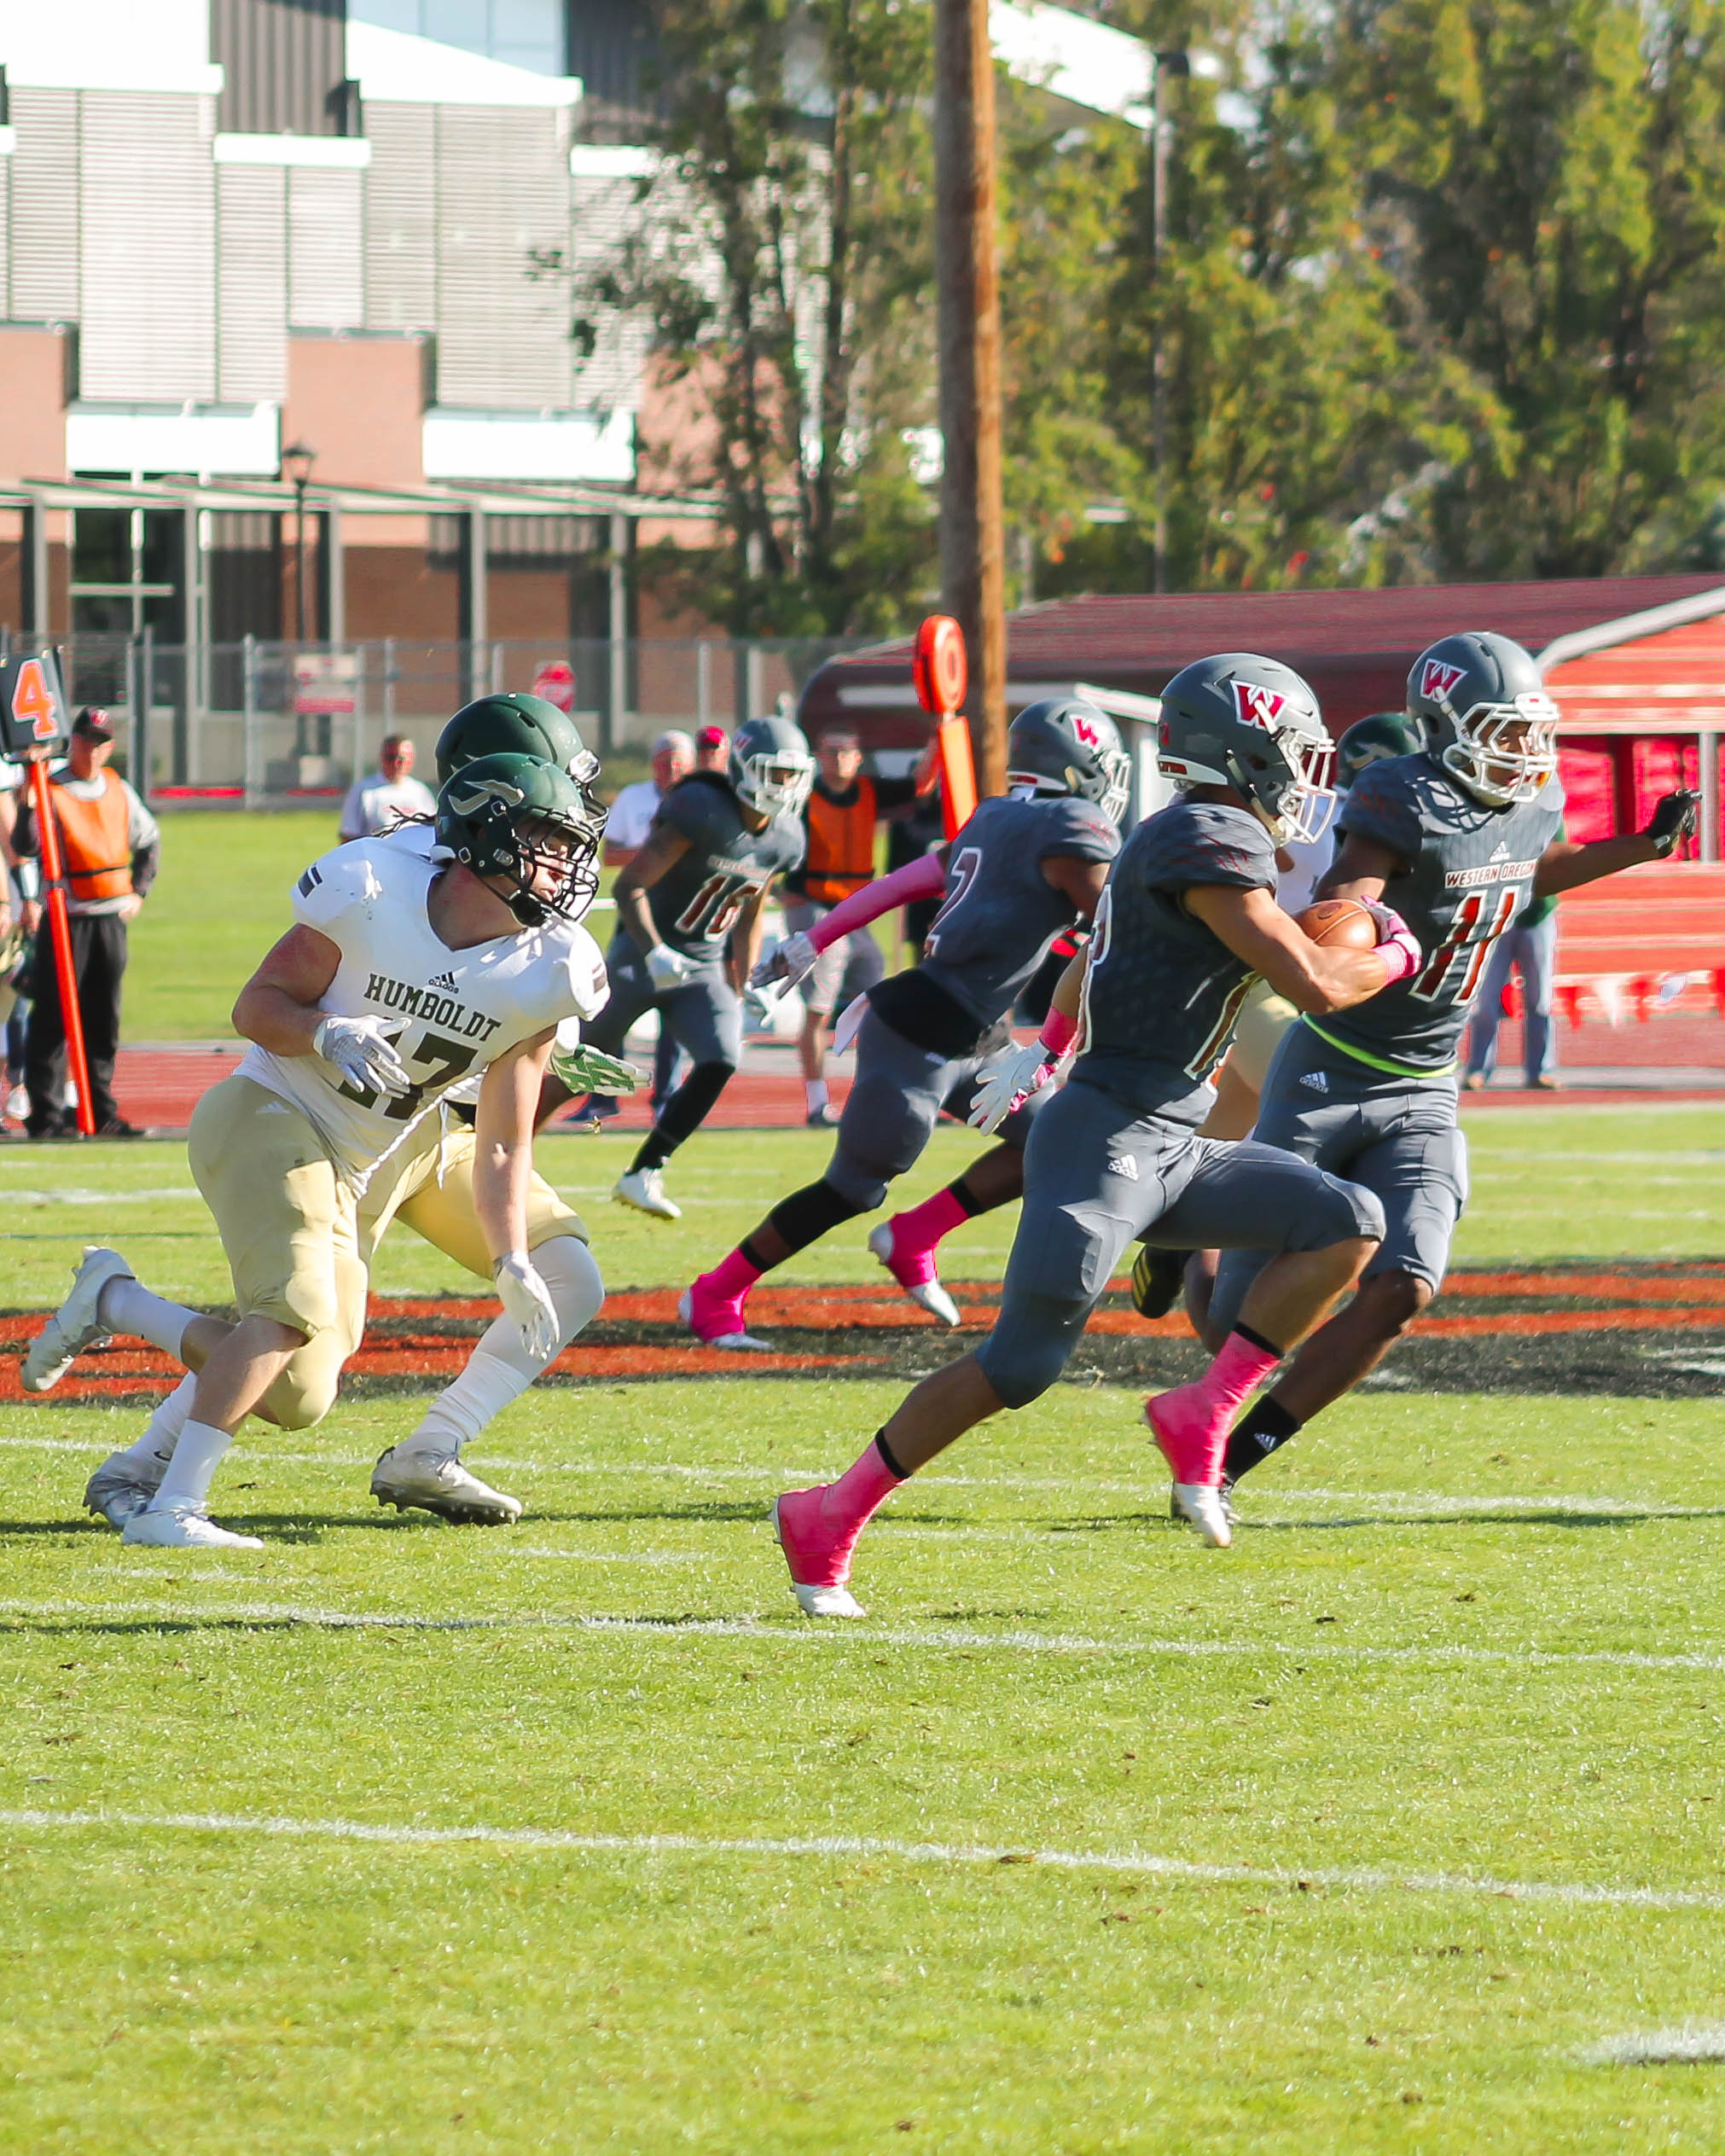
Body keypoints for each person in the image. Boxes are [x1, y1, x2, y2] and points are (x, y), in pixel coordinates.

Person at [768, 653, 1405, 1615]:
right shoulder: (1208, 835)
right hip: (1105, 1137)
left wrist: (1042, 1047)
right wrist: (1393, 949)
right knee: (1019, 1367)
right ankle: (826, 1513)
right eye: (1296, 750)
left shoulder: (1188, 834)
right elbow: (1314, 983)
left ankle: (1206, 1409)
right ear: (1248, 748)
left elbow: (1093, 960)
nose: (1308, 773)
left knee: (1348, 1219)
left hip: (1175, 1144)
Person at [28, 753, 611, 1548]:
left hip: (383, 1145)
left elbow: (506, 1142)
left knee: (299, 1395)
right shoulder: (376, 888)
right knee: (293, 1309)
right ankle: (173, 1505)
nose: (566, 864)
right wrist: (323, 1030)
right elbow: (255, 1004)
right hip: (274, 1110)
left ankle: (117, 1302)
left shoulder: (550, 965)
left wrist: (510, 1257)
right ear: (490, 831)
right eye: (548, 837)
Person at [1205, 631, 1701, 1511]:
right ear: (1443, 725)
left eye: (1529, 732)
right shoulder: (1399, 793)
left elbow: (1533, 870)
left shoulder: (1530, 800)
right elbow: (1351, 893)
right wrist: (1356, 925)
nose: (1524, 751)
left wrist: (1638, 846)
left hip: (1427, 1084)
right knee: (1233, 1322)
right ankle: (1179, 1248)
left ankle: (1233, 1456)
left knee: (1404, 1284)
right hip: (1334, 1069)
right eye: (1503, 732)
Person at [682, 699, 1129, 1349]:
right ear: (1083, 766)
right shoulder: (1072, 830)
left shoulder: (997, 816)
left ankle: (916, 1234)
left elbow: (906, 880)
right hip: (920, 1032)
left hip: (977, 1031)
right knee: (854, 1188)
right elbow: (1118, 941)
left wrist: (817, 939)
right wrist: (1057, 1047)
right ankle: (715, 1291)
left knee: (1058, 1145)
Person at [1130, 707, 1426, 1325]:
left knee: (1216, 1140)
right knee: (1316, 1120)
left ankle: (1168, 1246)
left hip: (1300, 989)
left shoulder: (1384, 824)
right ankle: (1273, 1286)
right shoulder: (1320, 818)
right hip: (1271, 988)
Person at [560, 714, 815, 1220]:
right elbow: (628, 885)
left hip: (701, 967)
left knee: (722, 1057)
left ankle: (645, 1171)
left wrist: (745, 984)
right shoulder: (702, 808)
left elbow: (750, 910)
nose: (784, 787)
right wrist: (654, 950)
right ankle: (493, 1142)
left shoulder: (785, 838)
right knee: (571, 1064)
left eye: (792, 775)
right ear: (744, 768)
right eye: (774, 773)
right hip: (640, 956)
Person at [20, 707, 159, 1139]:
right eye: (85, 741)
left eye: (100, 743)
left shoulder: (118, 789)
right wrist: (28, 795)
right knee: (55, 1019)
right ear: (73, 741)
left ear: (109, 748)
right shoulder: (51, 788)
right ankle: (46, 1114)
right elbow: (25, 844)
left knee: (103, 1018)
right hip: (66, 920)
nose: (92, 751)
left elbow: (148, 841)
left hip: (109, 919)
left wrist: (138, 891)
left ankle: (101, 1113)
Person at [780, 728, 920, 1125]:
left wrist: (941, 730)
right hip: (819, 913)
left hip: (858, 914)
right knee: (818, 1010)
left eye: (846, 752)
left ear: (858, 758)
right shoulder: (802, 797)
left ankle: (872, 1093)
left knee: (877, 1002)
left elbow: (922, 784)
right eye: (831, 751)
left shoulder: (869, 792)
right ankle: (816, 1101)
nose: (839, 759)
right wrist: (786, 891)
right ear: (819, 757)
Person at [569, 729, 697, 1128]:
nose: (671, 769)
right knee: (610, 1001)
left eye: (679, 761)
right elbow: (612, 853)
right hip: (635, 911)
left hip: (680, 916)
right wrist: (657, 854)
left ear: (690, 766)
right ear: (653, 764)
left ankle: (667, 1099)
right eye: (664, 760)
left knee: (673, 1007)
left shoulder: (700, 800)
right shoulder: (634, 799)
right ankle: (603, 1095)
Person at [1462, 869, 1561, 1090]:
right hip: (1497, 917)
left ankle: (1541, 1070)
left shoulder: (1547, 832)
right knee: (1485, 1001)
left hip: (1538, 915)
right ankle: (1478, 1069)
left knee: (1540, 1001)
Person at [338, 735, 437, 841]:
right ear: (381, 758)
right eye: (390, 758)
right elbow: (348, 834)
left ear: (411, 759)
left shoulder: (420, 792)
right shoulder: (365, 790)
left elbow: (434, 831)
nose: (396, 763)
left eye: (401, 758)